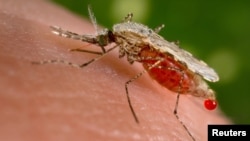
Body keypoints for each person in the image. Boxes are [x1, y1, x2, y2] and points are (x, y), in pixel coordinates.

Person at [0, 0, 229, 140]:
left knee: (144, 69)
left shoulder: (124, 37)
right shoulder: (122, 35)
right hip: (157, 56)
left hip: (170, 65)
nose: (102, 43)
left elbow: (123, 48)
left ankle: (177, 116)